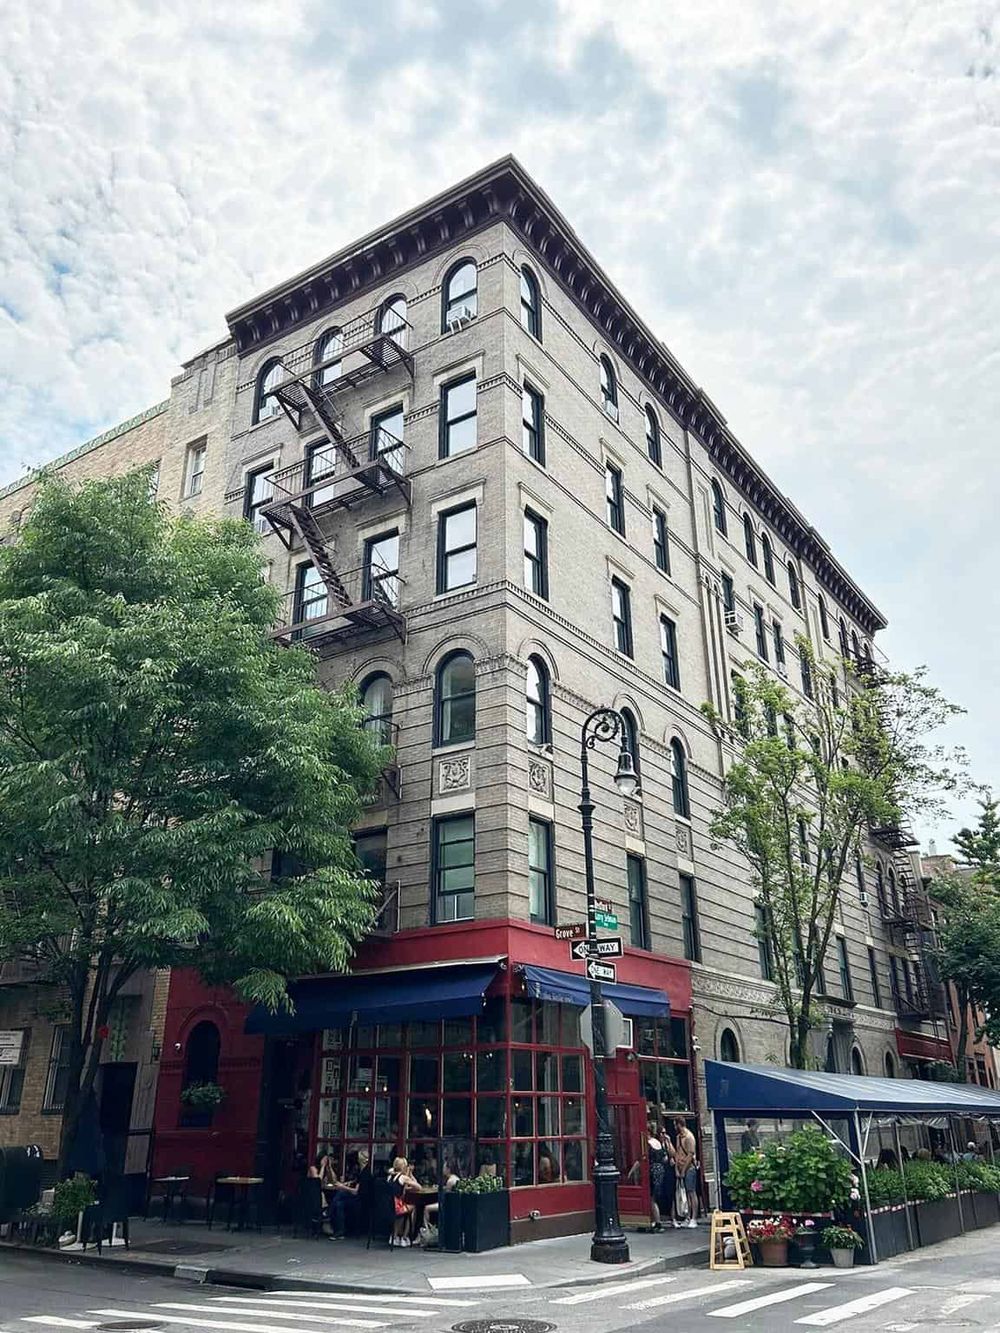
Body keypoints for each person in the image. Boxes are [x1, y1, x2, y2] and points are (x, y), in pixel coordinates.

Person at [328, 1149, 370, 1239]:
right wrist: (348, 1183)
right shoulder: (363, 1171)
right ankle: (339, 1230)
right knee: (339, 1202)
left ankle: (330, 1217)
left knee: (340, 1195)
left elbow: (355, 1191)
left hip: (361, 1200)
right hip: (361, 1198)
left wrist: (342, 1186)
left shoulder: (365, 1173)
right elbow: (357, 1182)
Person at [387, 1156, 419, 1247]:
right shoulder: (403, 1177)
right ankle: (405, 1237)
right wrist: (411, 1174)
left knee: (402, 1211)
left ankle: (395, 1236)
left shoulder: (389, 1177)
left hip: (388, 1206)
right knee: (412, 1207)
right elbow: (418, 1186)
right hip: (397, 1207)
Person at [673, 1117, 699, 1228]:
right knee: (686, 1194)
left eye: (675, 1125)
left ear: (679, 1124)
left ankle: (694, 1218)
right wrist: (677, 1168)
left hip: (689, 1169)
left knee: (691, 1192)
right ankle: (687, 1217)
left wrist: (683, 1170)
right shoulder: (678, 1137)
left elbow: (690, 1155)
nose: (674, 1127)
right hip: (680, 1167)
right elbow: (678, 1153)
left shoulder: (689, 1137)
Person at [646, 1122, 667, 1231]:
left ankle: (657, 1222)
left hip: (652, 1171)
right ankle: (654, 1221)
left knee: (651, 1198)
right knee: (654, 1197)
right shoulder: (657, 1142)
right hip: (660, 1170)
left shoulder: (648, 1144)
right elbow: (665, 1158)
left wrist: (631, 1172)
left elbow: (642, 1159)